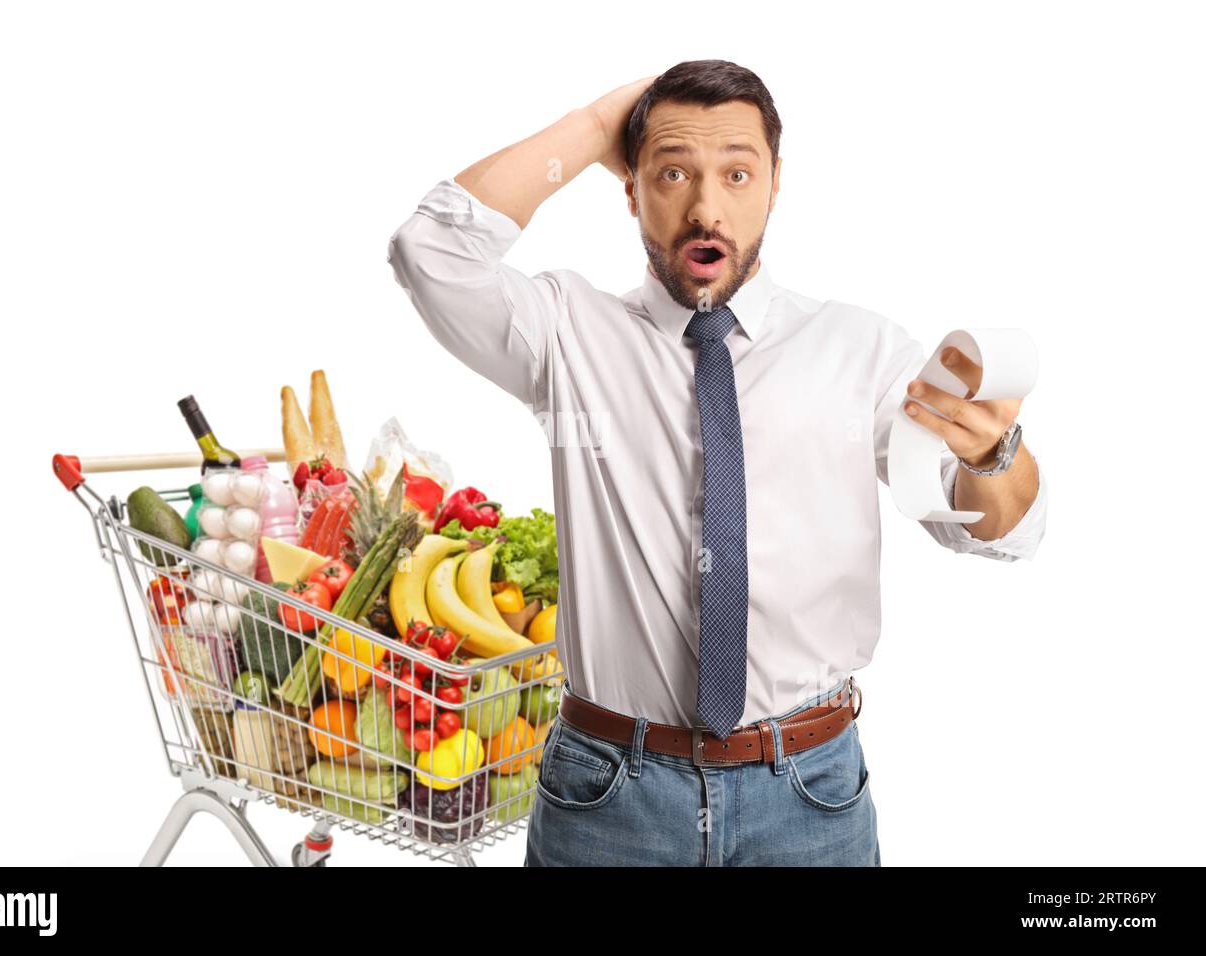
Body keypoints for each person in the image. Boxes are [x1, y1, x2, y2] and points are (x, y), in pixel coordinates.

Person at [386, 60, 1048, 866]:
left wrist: (996, 452)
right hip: (607, 795)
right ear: (630, 190)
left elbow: (998, 530)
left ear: (775, 185)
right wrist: (599, 125)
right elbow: (430, 251)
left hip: (810, 793)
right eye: (672, 173)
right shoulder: (566, 334)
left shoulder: (861, 350)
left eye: (738, 173)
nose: (707, 208)